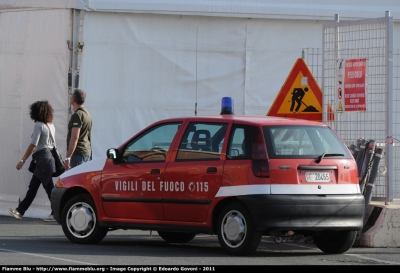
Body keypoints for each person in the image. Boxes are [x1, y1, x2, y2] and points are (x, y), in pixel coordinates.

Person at [9, 101, 57, 222]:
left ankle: (57, 211)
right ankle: (21, 211)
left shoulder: (38, 125)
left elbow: (33, 145)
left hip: (42, 159)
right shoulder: (51, 125)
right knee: (41, 187)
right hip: (48, 159)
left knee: (45, 187)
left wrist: (22, 160)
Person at [64, 89, 92, 170]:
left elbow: (74, 138)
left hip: (78, 154)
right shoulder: (87, 113)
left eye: (71, 95)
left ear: (74, 99)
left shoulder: (77, 115)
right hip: (86, 152)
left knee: (75, 181)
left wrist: (68, 158)